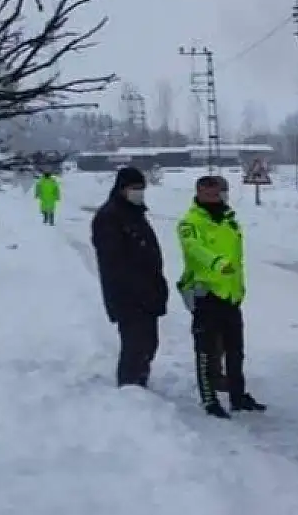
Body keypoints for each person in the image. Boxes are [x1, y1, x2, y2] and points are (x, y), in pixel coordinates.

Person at [177, 175, 265, 417]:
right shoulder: (190, 222)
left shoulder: (229, 220)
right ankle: (210, 400)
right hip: (207, 294)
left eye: (220, 194)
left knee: (235, 350)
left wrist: (239, 288)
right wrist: (216, 263)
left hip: (231, 295)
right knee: (206, 351)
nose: (217, 198)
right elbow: (194, 249)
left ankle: (238, 396)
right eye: (211, 194)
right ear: (200, 194)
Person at [91, 167, 169, 387]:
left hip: (146, 293)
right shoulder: (110, 217)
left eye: (141, 188)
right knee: (136, 345)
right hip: (128, 295)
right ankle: (130, 389)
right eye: (134, 188)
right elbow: (113, 262)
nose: (139, 192)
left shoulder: (134, 213)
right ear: (121, 189)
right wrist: (133, 289)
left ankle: (139, 385)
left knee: (148, 344)